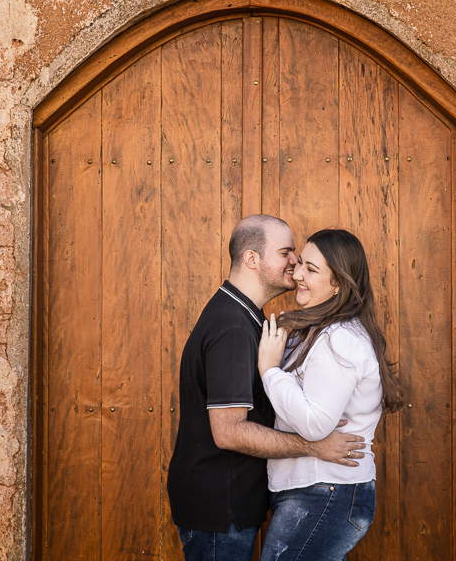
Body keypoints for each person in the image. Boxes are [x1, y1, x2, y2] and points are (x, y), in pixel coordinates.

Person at [167, 215, 367, 561]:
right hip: (220, 509)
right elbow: (228, 433)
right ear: (252, 259)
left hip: (230, 504)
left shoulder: (245, 317)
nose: (295, 262)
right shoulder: (232, 326)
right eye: (286, 252)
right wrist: (315, 447)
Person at [257, 228, 403, 560]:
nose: (297, 275)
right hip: (315, 490)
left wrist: (270, 371)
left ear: (338, 283)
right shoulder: (318, 332)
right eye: (299, 265)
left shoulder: (340, 339)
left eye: (311, 269)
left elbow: (314, 424)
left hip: (327, 492)